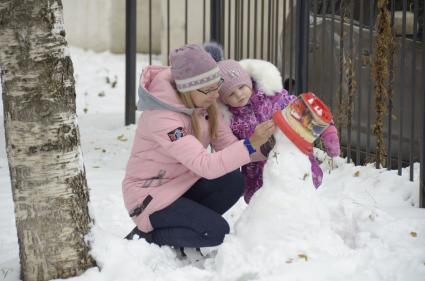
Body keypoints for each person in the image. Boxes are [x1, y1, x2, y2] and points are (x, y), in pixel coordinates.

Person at [122, 44, 274, 255]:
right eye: (208, 89)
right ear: (186, 88)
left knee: (233, 180)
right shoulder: (164, 119)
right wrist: (250, 143)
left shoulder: (204, 103)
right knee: (215, 232)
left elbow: (229, 148)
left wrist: (268, 146)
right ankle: (144, 237)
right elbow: (206, 166)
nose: (216, 95)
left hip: (182, 184)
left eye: (217, 85)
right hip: (149, 197)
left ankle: (187, 224)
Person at [204, 43, 340, 203]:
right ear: (223, 100)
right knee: (270, 209)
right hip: (259, 174)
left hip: (292, 161)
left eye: (241, 87)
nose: (239, 95)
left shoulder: (273, 97)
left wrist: (328, 132)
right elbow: (232, 149)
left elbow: (308, 111)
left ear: (248, 81)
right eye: (231, 94)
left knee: (299, 203)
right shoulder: (229, 119)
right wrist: (257, 144)